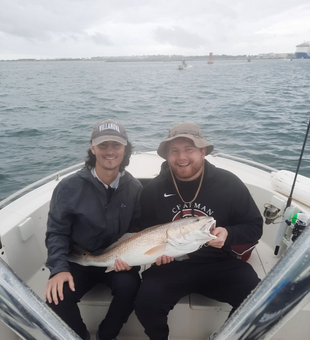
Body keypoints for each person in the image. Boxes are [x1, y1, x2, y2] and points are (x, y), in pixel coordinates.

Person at [134, 122, 263, 340]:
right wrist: (157, 255)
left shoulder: (228, 183)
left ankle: (226, 336)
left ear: (203, 151)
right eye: (174, 151)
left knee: (258, 298)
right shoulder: (154, 189)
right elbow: (142, 232)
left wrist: (228, 235)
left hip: (220, 263)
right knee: (145, 303)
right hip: (172, 265)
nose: (181, 157)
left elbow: (254, 226)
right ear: (167, 156)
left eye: (189, 149)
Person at [45, 119, 142, 340]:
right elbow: (57, 232)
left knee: (132, 287)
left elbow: (136, 230)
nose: (110, 151)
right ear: (92, 147)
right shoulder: (68, 187)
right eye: (103, 145)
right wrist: (58, 268)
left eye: (116, 145)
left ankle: (106, 336)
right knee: (56, 298)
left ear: (125, 148)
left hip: (118, 259)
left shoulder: (135, 188)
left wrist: (129, 258)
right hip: (80, 259)